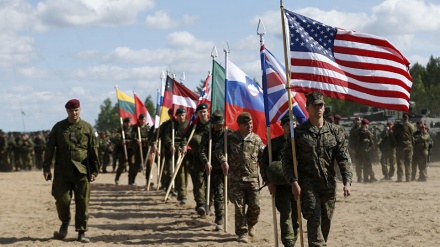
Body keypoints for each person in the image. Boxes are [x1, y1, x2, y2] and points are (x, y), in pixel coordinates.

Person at [282, 92, 352, 247]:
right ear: (307, 108)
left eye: (320, 105)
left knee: (325, 226)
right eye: (314, 105)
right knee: (314, 223)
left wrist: (347, 181)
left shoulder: (336, 131)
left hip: (328, 186)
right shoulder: (298, 133)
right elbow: (286, 160)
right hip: (308, 186)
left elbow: (343, 158)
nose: (318, 108)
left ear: (324, 107)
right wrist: (293, 181)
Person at [42, 99, 99, 243]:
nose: (74, 113)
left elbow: (93, 150)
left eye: (76, 110)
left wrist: (94, 170)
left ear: (80, 109)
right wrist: (46, 168)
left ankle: (81, 232)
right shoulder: (59, 127)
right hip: (62, 172)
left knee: (82, 203)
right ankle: (65, 222)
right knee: (62, 200)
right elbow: (49, 149)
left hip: (82, 172)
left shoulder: (87, 128)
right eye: (71, 111)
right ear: (66, 111)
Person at [215, 112, 263, 243]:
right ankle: (242, 232)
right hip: (235, 179)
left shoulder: (257, 139)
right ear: (240, 125)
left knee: (256, 206)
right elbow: (218, 149)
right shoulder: (230, 138)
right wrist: (223, 161)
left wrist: (266, 175)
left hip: (252, 179)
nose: (249, 126)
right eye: (246, 124)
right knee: (239, 208)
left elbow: (263, 159)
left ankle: (251, 224)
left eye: (251, 123)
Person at [260, 113, 299, 247]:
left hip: (299, 185)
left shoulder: (302, 142)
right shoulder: (275, 144)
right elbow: (264, 163)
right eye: (287, 125)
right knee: (286, 213)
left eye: (293, 124)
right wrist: (268, 181)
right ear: (282, 127)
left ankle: (292, 240)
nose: (290, 127)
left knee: (296, 217)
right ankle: (288, 242)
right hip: (282, 186)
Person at [198, 110, 232, 231]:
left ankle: (222, 211)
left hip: (228, 169)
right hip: (215, 169)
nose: (219, 126)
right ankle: (219, 218)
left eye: (220, 124)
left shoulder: (228, 134)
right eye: (217, 124)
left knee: (227, 195)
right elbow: (201, 150)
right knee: (219, 193)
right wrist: (206, 161)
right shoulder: (208, 134)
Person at [188, 103, 210, 215]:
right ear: (197, 114)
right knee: (199, 181)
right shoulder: (194, 126)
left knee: (210, 182)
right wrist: (183, 145)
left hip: (210, 157)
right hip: (197, 158)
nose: (202, 114)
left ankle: (208, 204)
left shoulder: (211, 125)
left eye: (204, 112)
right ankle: (201, 204)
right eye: (200, 112)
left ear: (207, 112)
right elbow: (185, 138)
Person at [164, 108, 189, 202]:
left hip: (185, 152)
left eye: (182, 115)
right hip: (173, 152)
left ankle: (182, 193)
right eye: (179, 115)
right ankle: (175, 192)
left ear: (185, 115)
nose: (181, 117)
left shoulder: (188, 125)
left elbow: (188, 138)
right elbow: (166, 137)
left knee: (184, 173)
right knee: (174, 173)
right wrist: (171, 144)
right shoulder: (172, 126)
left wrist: (183, 147)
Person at [393, 113, 414, 182]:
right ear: (407, 118)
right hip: (408, 145)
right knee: (408, 162)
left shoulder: (398, 125)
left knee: (400, 162)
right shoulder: (411, 125)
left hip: (400, 145)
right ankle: (408, 178)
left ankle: (400, 178)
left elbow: (394, 131)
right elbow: (412, 134)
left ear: (403, 118)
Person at [131, 113, 151, 185]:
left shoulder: (148, 128)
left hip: (146, 149)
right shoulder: (136, 128)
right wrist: (136, 140)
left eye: (144, 119)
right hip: (138, 149)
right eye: (141, 119)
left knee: (149, 165)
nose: (143, 121)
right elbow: (133, 136)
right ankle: (132, 180)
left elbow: (150, 137)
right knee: (136, 164)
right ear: (139, 120)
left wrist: (146, 141)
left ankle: (148, 180)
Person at [114, 117, 135, 185]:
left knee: (132, 165)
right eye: (127, 123)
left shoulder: (132, 129)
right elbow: (117, 138)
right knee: (121, 165)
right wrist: (121, 142)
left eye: (129, 122)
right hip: (123, 150)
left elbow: (134, 138)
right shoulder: (121, 129)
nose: (128, 124)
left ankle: (130, 180)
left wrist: (128, 141)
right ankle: (117, 178)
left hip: (131, 150)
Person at [349, 116, 362, 182]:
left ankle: (367, 176)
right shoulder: (353, 130)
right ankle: (359, 177)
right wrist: (352, 148)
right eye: (356, 120)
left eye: (358, 120)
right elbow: (350, 140)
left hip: (363, 149)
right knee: (358, 164)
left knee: (366, 163)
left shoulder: (363, 129)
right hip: (356, 149)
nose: (357, 121)